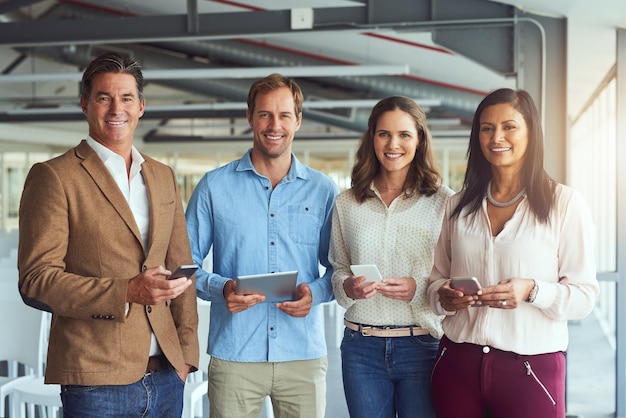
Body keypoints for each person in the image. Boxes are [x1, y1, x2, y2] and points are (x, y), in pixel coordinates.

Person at [17, 51, 199, 417]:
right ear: (85, 104)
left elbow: (181, 266)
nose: (117, 109)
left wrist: (187, 356)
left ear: (142, 106)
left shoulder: (162, 176)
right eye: (104, 97)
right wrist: (126, 291)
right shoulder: (54, 176)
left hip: (166, 376)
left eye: (127, 98)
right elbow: (36, 280)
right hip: (95, 379)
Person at [427, 88, 599, 418]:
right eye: (487, 128)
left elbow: (584, 297)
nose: (497, 137)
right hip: (457, 364)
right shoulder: (457, 207)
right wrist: (444, 297)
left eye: (509, 126)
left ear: (531, 132)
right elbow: (435, 284)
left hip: (531, 370)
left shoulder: (564, 204)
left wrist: (533, 290)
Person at [185, 73, 339, 418]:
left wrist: (314, 293)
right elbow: (184, 265)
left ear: (297, 120)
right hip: (235, 353)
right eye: (265, 114)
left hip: (303, 355)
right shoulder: (214, 187)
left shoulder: (323, 190)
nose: (275, 125)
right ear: (250, 117)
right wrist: (222, 287)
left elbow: (338, 269)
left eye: (284, 115)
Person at [329, 95, 453, 418]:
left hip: (422, 346)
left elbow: (454, 277)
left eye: (404, 135)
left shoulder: (444, 202)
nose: (393, 144)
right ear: (372, 137)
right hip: (361, 348)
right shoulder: (347, 203)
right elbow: (337, 270)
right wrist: (349, 287)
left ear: (419, 140)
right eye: (384, 134)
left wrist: (419, 288)